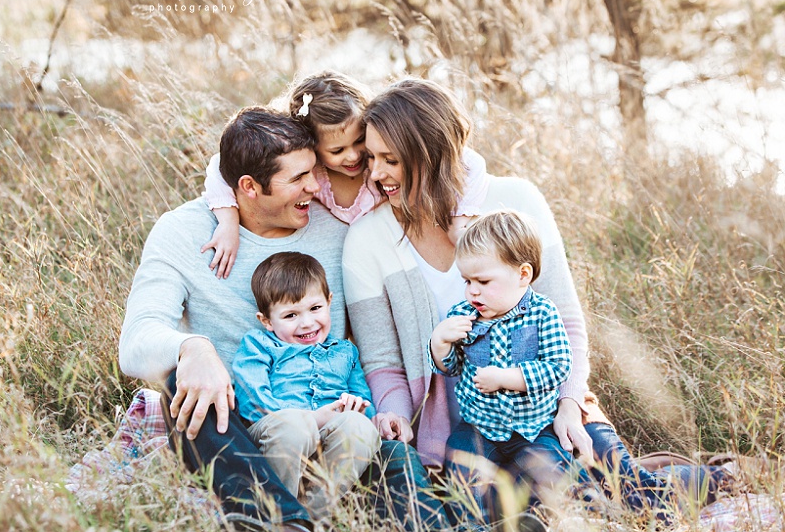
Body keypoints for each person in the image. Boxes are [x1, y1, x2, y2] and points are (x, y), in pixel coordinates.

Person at [341, 77, 730, 525]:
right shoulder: (368, 238)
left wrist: (569, 404)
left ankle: (716, 477)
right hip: (458, 431)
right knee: (506, 509)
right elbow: (382, 361)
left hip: (546, 404)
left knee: (634, 495)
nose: (375, 173)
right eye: (371, 158)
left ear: (431, 154)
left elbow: (566, 322)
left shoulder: (516, 200)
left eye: (391, 160)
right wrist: (392, 411)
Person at [118, 105, 447, 532]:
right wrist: (191, 347)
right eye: (297, 179)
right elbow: (136, 342)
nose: (316, 186)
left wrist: (374, 409)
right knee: (182, 386)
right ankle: (280, 520)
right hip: (240, 421)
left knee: (393, 454)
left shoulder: (339, 232)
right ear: (249, 187)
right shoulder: (182, 232)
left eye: (314, 171)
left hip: (329, 413)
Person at [199, 71, 491, 278]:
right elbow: (221, 166)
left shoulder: (377, 162)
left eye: (359, 141)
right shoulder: (311, 172)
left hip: (389, 254)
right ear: (312, 145)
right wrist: (228, 221)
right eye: (337, 151)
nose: (353, 156)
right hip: (341, 264)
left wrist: (461, 220)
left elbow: (470, 162)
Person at [429, 210, 584, 524]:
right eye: (467, 281)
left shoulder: (542, 313)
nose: (472, 290)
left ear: (522, 275)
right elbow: (453, 368)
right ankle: (473, 523)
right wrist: (439, 345)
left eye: (483, 281)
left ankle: (524, 518)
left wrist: (507, 378)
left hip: (534, 427)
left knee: (547, 469)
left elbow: (558, 366)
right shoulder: (464, 313)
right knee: (460, 469)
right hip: (478, 428)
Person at [232, 252, 381, 520]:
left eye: (315, 308)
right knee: (294, 426)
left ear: (329, 302)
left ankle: (310, 518)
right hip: (277, 436)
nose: (307, 323)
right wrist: (311, 419)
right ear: (266, 320)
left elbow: (362, 397)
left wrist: (358, 408)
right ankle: (275, 516)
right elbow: (251, 398)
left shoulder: (345, 351)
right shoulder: (260, 344)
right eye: (290, 315)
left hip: (329, 444)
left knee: (361, 430)